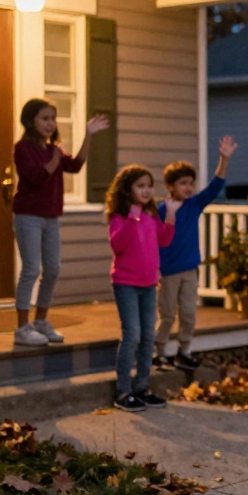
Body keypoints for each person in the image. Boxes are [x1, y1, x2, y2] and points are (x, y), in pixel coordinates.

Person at [11, 98, 110, 346]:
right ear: (30, 121)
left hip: (51, 217)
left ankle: (41, 321)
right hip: (28, 217)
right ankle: (22, 327)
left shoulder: (52, 150)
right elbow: (35, 177)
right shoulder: (23, 148)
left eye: (53, 118)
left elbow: (75, 165)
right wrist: (55, 157)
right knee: (32, 269)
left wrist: (89, 135)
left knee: (53, 269)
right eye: (45, 118)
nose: (50, 123)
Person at [153, 135, 239, 372]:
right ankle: (159, 352)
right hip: (168, 272)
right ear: (170, 186)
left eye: (190, 182)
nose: (189, 187)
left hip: (190, 270)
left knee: (189, 314)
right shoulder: (161, 210)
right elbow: (153, 240)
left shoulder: (194, 205)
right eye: (183, 183)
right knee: (168, 315)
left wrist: (224, 159)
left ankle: (184, 352)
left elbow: (216, 184)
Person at [106, 164, 180, 413]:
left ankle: (142, 387)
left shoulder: (150, 215)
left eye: (149, 185)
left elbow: (164, 240)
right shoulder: (119, 216)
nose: (147, 190)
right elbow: (118, 245)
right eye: (140, 185)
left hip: (149, 285)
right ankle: (123, 391)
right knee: (132, 336)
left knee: (149, 336)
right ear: (127, 190)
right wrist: (131, 216)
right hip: (126, 284)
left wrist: (169, 218)